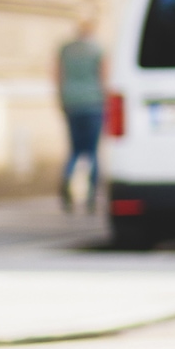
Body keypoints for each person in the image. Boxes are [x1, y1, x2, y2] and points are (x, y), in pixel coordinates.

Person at [56, 14, 106, 214]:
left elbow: (58, 75)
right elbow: (104, 77)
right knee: (92, 152)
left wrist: (61, 99)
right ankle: (92, 196)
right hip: (93, 103)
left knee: (75, 150)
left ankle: (67, 182)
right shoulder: (98, 50)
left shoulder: (65, 49)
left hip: (71, 102)